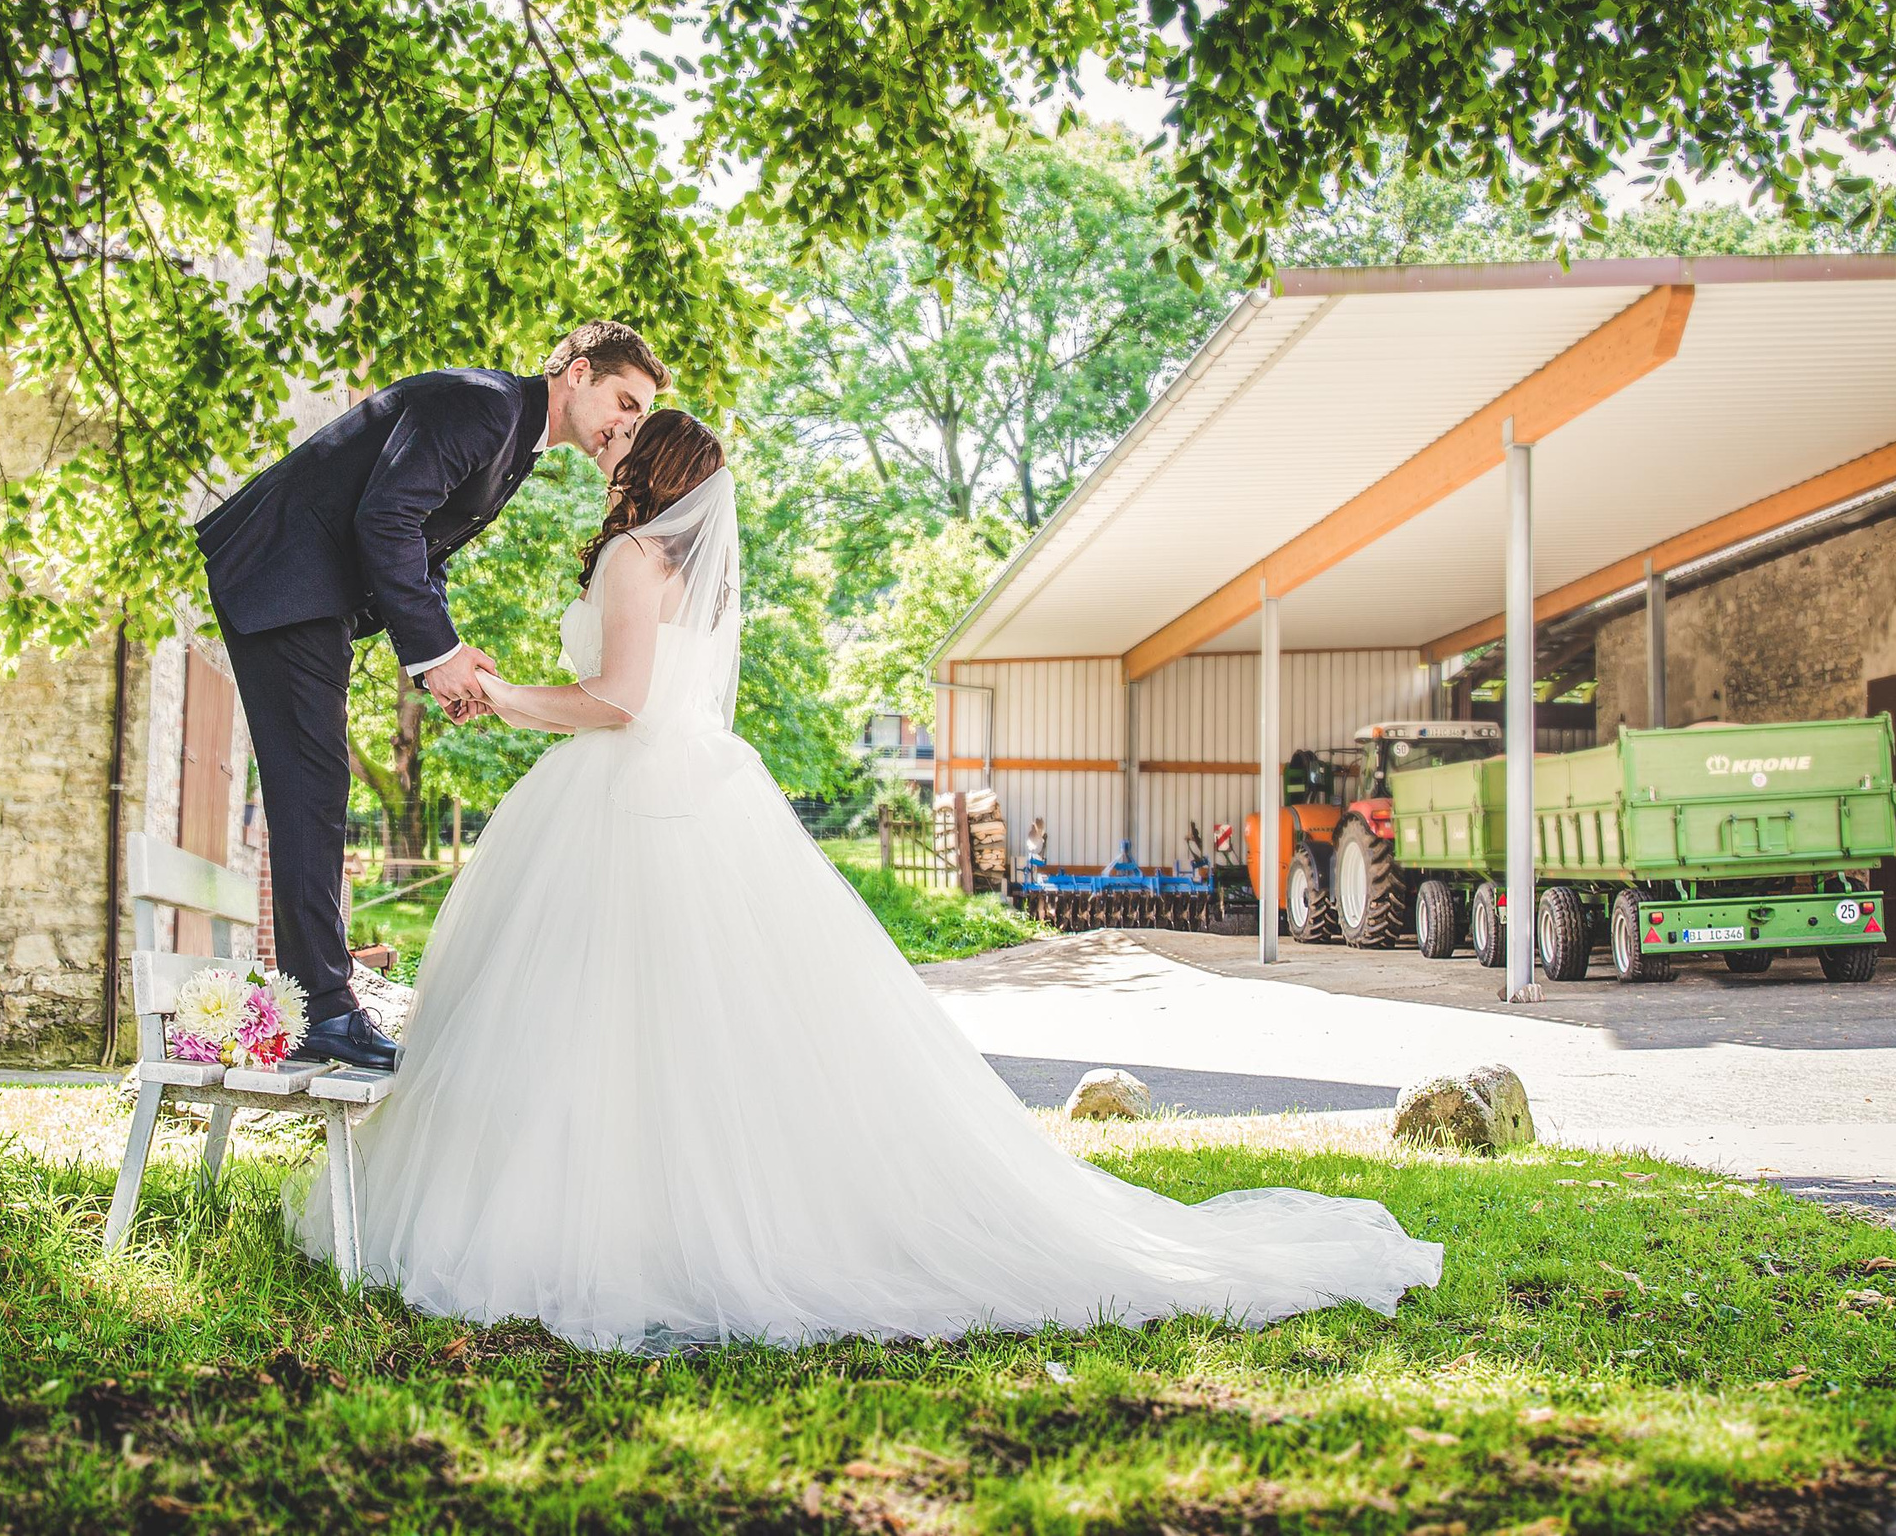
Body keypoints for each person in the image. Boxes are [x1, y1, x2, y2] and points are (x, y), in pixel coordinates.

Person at [288, 410, 1442, 1351]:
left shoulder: (640, 559)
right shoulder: (685, 569)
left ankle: (616, 1226)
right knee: (663, 1023)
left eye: (628, 439)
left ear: (654, 474)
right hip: (676, 793)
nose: (609, 448)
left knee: (609, 1012)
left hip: (631, 796)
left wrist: (502, 698)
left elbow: (625, 704)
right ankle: (657, 1207)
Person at [195, 323, 668, 1070]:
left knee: (316, 783)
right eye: (625, 401)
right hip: (285, 576)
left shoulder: (514, 441)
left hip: (307, 592)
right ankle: (322, 1008)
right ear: (578, 372)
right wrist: (437, 653)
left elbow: (420, 544)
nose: (628, 424)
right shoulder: (483, 405)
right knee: (312, 784)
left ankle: (321, 997)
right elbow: (384, 518)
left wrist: (440, 661)